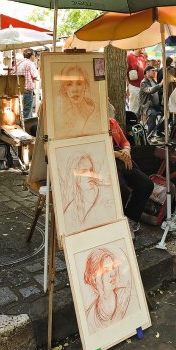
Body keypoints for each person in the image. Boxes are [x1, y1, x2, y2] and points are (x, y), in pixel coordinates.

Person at [109, 108, 154, 237]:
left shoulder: (112, 122)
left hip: (122, 161)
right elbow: (93, 149)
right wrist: (117, 154)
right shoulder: (91, 125)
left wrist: (127, 150)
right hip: (105, 163)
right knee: (122, 190)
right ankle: (116, 225)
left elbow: (124, 141)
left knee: (146, 184)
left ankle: (130, 220)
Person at [83, 248, 132, 332]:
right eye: (106, 270)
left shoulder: (127, 295)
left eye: (113, 267)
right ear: (93, 278)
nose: (113, 273)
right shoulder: (90, 317)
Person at [55, 64, 98, 137]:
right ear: (64, 88)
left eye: (79, 83)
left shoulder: (96, 109)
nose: (75, 90)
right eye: (69, 84)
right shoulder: (60, 114)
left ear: (85, 86)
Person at [16, 49, 40, 118]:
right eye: (34, 55)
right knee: (27, 111)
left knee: (20, 111)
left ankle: (22, 125)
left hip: (19, 90)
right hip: (27, 90)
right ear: (32, 56)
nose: (34, 57)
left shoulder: (19, 63)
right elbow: (37, 77)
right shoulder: (30, 63)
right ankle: (27, 127)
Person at [139, 66, 163, 134]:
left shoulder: (154, 81)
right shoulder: (143, 82)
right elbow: (150, 90)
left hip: (156, 106)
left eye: (155, 71)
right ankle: (150, 134)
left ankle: (158, 131)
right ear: (147, 72)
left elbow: (159, 91)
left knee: (168, 114)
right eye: (153, 70)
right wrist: (160, 85)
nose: (154, 72)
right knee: (153, 114)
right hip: (147, 106)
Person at [126, 49, 147, 114]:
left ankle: (139, 121)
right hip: (133, 85)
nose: (144, 49)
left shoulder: (142, 57)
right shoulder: (129, 56)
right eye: (143, 47)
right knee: (134, 105)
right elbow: (125, 71)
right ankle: (133, 121)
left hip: (142, 85)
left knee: (141, 105)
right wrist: (128, 85)